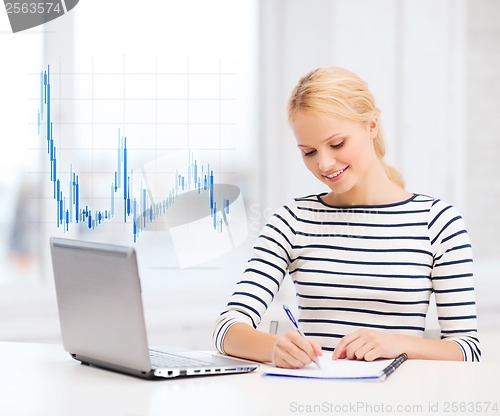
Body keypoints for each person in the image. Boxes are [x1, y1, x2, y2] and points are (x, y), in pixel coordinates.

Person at [213, 66, 480, 368]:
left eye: (337, 144)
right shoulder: (293, 220)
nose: (324, 164)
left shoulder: (438, 222)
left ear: (371, 126)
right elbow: (226, 329)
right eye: (309, 152)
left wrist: (397, 344)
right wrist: (275, 348)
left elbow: (467, 348)